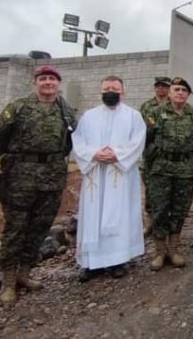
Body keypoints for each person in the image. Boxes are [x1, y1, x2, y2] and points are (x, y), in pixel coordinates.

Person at [0, 65, 76, 304]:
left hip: (52, 176)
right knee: (16, 227)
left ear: (58, 84)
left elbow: (71, 140)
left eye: (52, 79)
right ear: (35, 83)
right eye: (43, 79)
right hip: (21, 176)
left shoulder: (65, 110)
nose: (48, 82)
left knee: (40, 226)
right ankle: (8, 281)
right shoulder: (18, 107)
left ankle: (24, 273)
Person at [71, 76, 147, 281]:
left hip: (120, 174)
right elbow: (78, 141)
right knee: (93, 216)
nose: (110, 91)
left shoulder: (133, 116)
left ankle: (117, 261)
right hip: (95, 172)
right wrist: (94, 154)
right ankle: (91, 263)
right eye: (106, 88)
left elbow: (138, 141)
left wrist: (117, 155)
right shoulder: (89, 116)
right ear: (101, 91)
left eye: (115, 88)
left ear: (123, 91)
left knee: (120, 215)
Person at [143, 77, 193, 270]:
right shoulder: (155, 113)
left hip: (184, 169)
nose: (180, 93)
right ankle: (159, 252)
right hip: (161, 168)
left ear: (188, 95)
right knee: (160, 209)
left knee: (180, 209)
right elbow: (146, 139)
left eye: (184, 90)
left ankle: (174, 249)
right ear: (169, 93)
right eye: (176, 89)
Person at [140, 76, 172, 238]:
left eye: (164, 86)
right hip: (151, 156)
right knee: (151, 189)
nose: (161, 89)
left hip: (169, 157)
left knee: (169, 190)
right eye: (158, 86)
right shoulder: (146, 106)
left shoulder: (174, 105)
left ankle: (166, 221)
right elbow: (140, 130)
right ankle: (150, 221)